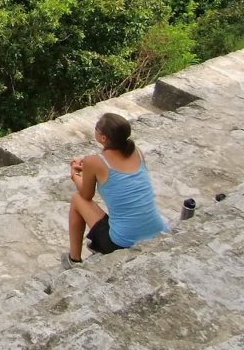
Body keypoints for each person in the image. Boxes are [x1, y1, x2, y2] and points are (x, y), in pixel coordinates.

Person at [65, 112, 167, 267]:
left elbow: (86, 195)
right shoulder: (137, 152)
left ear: (103, 138)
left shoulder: (95, 162)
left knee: (76, 199)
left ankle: (74, 260)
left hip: (121, 242)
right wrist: (87, 166)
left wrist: (75, 175)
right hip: (157, 231)